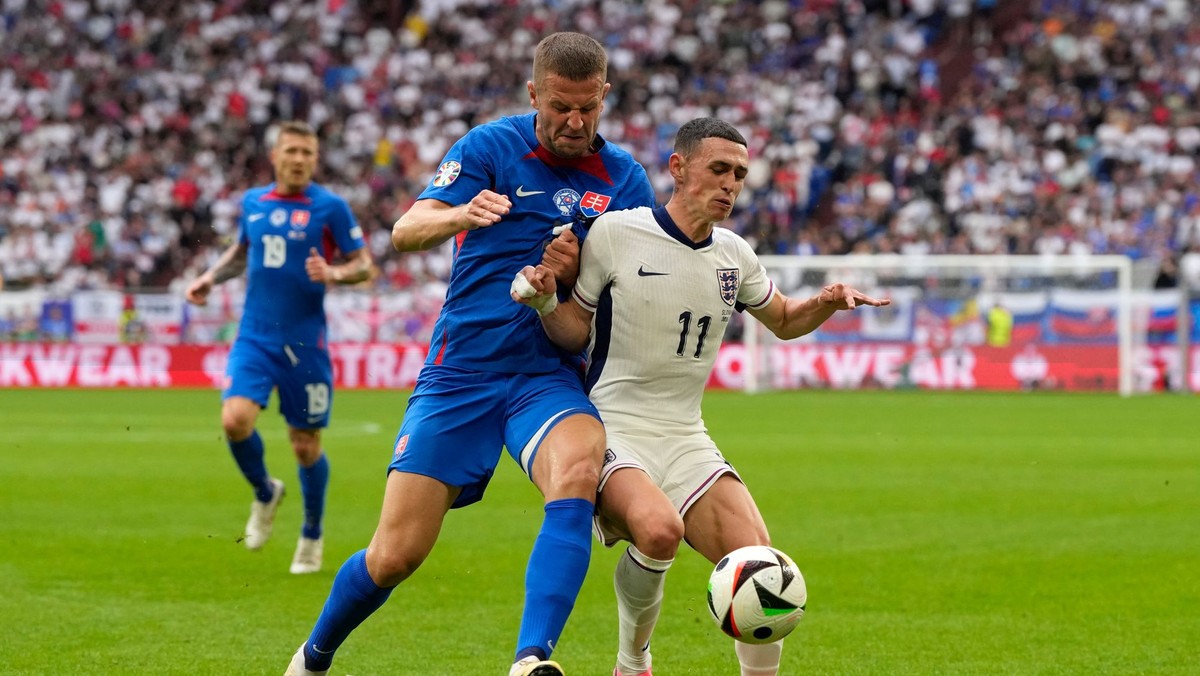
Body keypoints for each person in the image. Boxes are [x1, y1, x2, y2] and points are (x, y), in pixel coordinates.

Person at [285, 32, 655, 676]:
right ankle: (313, 658)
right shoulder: (489, 147)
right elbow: (405, 231)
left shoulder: (625, 178)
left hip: (547, 374)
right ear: (534, 92)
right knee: (394, 556)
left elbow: (630, 289)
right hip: (462, 374)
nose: (575, 122)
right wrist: (462, 214)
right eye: (561, 106)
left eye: (588, 108)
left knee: (574, 474)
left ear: (606, 96)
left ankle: (531, 660)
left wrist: (569, 278)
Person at [513, 117, 890, 676]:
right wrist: (545, 304)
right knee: (659, 531)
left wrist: (826, 301)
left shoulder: (735, 255)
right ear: (678, 167)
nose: (730, 184)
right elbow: (574, 331)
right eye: (719, 169)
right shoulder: (618, 233)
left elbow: (783, 320)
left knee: (764, 569)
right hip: (616, 428)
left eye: (739, 174)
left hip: (687, 436)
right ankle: (632, 661)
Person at [185, 120, 373, 575]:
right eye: (291, 150)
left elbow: (365, 267)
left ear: (315, 158)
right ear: (275, 155)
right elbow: (241, 252)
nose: (299, 159)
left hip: (307, 343)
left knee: (305, 445)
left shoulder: (330, 208)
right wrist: (210, 277)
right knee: (235, 420)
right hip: (255, 336)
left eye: (307, 152)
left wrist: (334, 274)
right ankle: (266, 492)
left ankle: (311, 531)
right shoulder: (253, 202)